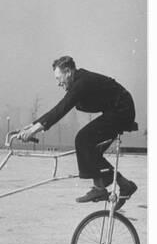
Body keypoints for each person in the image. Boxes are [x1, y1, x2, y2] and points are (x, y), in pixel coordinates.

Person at [18, 56, 138, 204]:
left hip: (122, 110)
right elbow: (59, 108)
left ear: (68, 72)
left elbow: (61, 109)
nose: (58, 83)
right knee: (91, 150)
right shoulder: (79, 81)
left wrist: (34, 130)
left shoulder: (81, 83)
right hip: (117, 109)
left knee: (83, 139)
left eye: (58, 78)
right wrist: (32, 126)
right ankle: (124, 185)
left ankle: (100, 189)